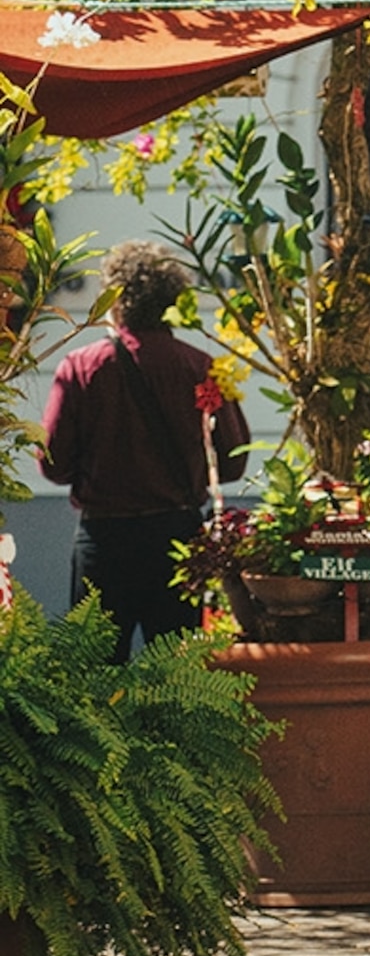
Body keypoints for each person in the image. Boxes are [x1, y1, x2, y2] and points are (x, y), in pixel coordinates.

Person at [40, 243, 249, 655]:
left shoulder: (81, 367)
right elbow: (233, 463)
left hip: (104, 540)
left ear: (114, 301)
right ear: (171, 302)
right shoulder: (201, 366)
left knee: (94, 681)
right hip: (177, 540)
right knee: (177, 676)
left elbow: (54, 465)